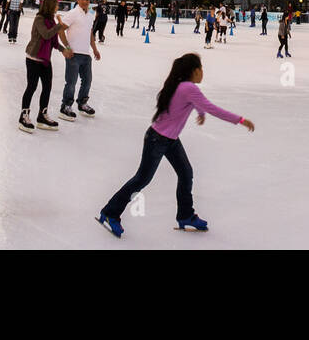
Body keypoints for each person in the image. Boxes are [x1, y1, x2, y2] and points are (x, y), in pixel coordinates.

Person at [96, 53, 254, 238]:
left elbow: (199, 104)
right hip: (157, 140)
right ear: (194, 71)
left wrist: (200, 113)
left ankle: (186, 215)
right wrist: (240, 120)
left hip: (169, 140)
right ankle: (110, 212)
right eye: (201, 68)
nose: (203, 72)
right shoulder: (189, 88)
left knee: (186, 173)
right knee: (142, 179)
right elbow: (213, 108)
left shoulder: (183, 85)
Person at [18, 0, 68, 133]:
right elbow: (46, 34)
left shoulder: (51, 20)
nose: (57, 7)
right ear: (50, 6)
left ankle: (42, 115)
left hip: (45, 60)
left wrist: (64, 50)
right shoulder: (39, 19)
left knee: (47, 87)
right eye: (56, 5)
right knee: (32, 87)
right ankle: (24, 115)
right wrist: (59, 25)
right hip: (33, 58)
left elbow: (53, 41)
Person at [58, 0, 101, 121]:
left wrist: (94, 49)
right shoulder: (73, 13)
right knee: (71, 82)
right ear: (78, 0)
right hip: (73, 54)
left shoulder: (90, 15)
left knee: (87, 81)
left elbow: (90, 34)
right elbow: (60, 30)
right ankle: (65, 106)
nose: (85, 1)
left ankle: (82, 103)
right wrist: (67, 47)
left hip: (86, 54)